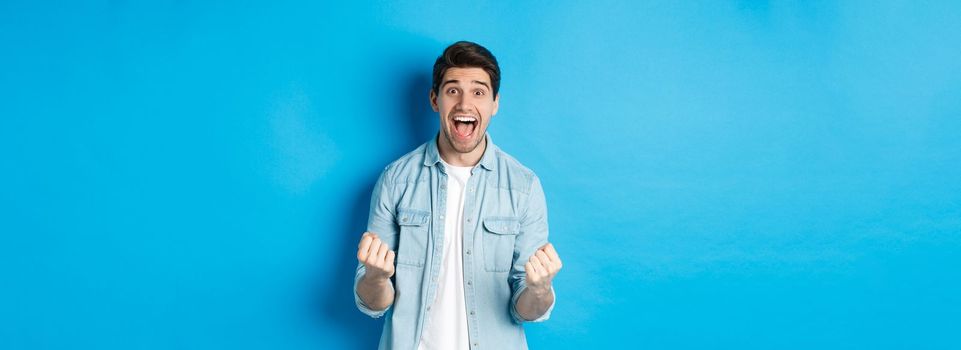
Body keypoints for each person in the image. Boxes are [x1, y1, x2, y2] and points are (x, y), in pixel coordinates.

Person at [353, 41, 562, 350]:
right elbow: (374, 303)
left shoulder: (523, 187)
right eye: (453, 90)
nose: (465, 104)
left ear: (495, 103)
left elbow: (525, 311)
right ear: (435, 100)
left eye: (478, 92)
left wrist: (540, 289)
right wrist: (374, 276)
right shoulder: (395, 180)